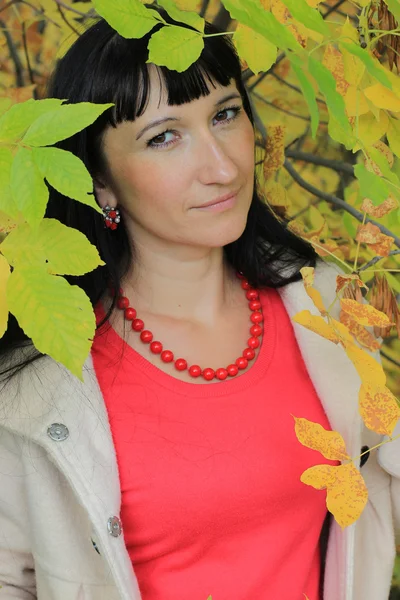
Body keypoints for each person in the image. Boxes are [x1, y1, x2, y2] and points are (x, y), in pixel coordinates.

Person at [0, 6, 398, 600]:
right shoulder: (39, 381)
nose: (222, 166)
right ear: (99, 180)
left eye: (226, 114)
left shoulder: (325, 307)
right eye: (164, 137)